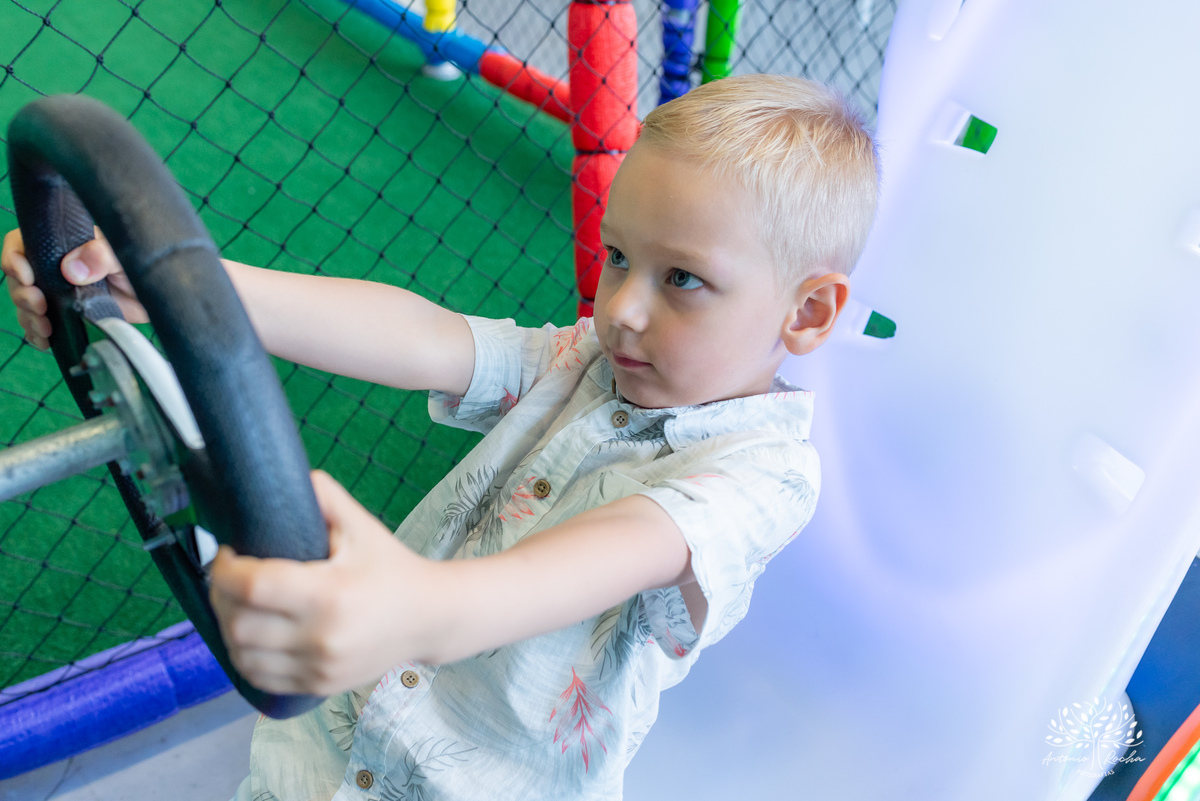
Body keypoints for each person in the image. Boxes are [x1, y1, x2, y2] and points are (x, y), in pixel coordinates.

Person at [1, 74, 879, 799]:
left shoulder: (763, 473)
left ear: (807, 312)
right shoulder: (586, 359)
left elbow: (625, 545)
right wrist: (171, 286)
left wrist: (420, 608)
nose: (623, 308)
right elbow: (426, 338)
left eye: (682, 278)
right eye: (617, 256)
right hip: (331, 755)